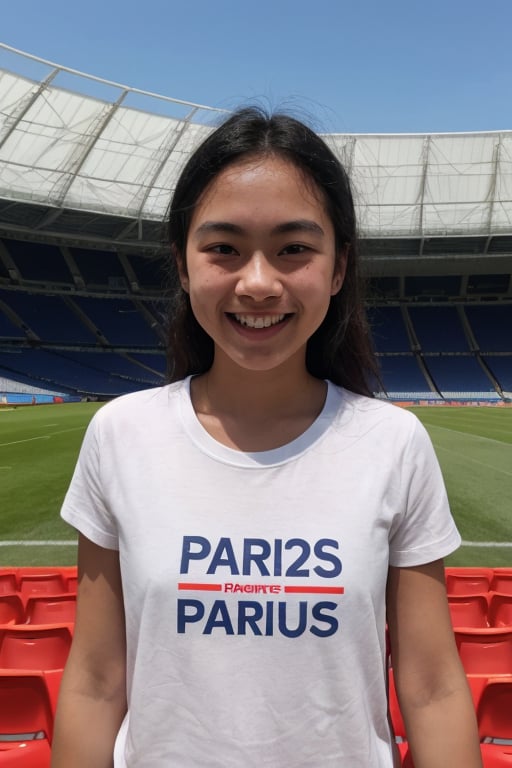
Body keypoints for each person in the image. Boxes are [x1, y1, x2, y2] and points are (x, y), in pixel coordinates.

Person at [51, 107, 482, 768]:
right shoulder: (121, 435)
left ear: (338, 269)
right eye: (223, 248)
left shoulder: (394, 443)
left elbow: (431, 689)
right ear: (184, 265)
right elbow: (96, 680)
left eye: (294, 249)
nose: (257, 282)